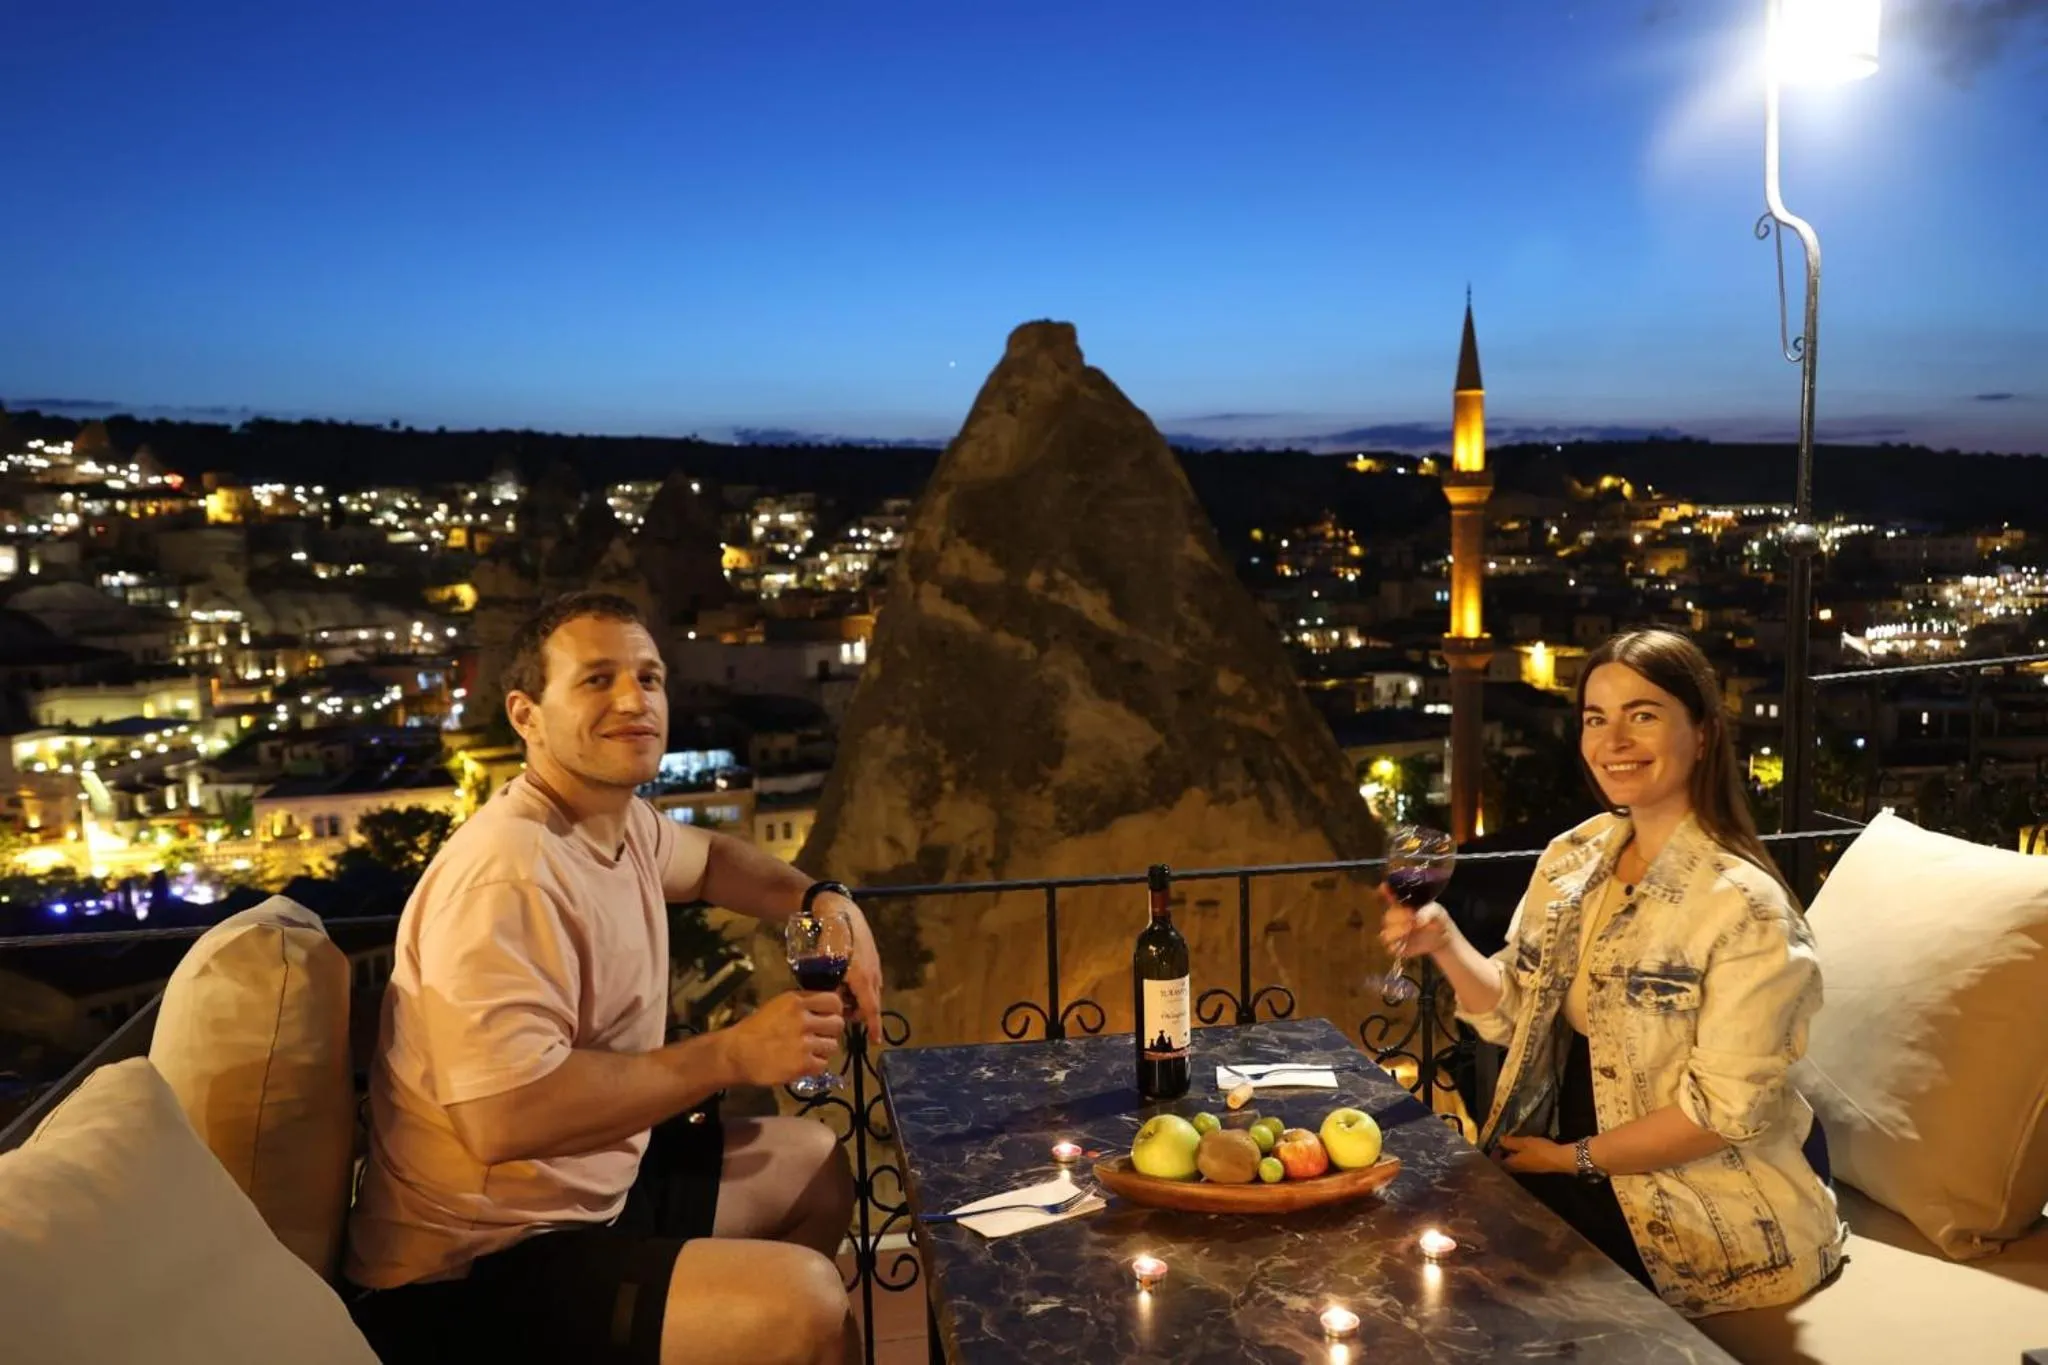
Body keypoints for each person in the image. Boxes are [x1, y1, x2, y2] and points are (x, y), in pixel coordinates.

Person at [344, 590, 884, 1365]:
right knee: (807, 1302)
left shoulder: (616, 823)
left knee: (815, 1170)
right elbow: (500, 1118)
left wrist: (819, 896)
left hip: (592, 1199)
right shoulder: (510, 874)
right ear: (526, 714)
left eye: (649, 677)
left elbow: (712, 862)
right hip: (469, 1267)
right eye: (596, 679)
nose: (633, 698)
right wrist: (730, 1055)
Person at [1380, 628, 1845, 1319]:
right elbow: (1512, 1007)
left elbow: (1720, 1116)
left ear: (1705, 733)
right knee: (1396, 1249)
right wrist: (1445, 941)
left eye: (1644, 715)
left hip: (1700, 1211)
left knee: (1461, 1303)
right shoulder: (1576, 857)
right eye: (1597, 718)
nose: (1614, 740)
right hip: (1565, 1164)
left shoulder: (1745, 910)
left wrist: (1569, 1160)